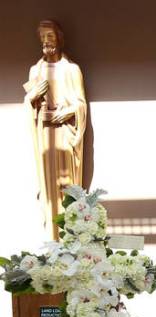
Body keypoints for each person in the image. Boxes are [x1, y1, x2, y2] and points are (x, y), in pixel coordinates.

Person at [23, 19, 87, 232]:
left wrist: (67, 112)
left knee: (66, 184)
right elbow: (28, 103)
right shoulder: (36, 71)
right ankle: (52, 236)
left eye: (49, 36)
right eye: (42, 37)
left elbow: (80, 104)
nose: (45, 41)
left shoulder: (71, 69)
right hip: (45, 135)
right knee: (49, 187)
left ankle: (70, 233)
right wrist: (32, 96)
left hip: (65, 134)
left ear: (59, 39)